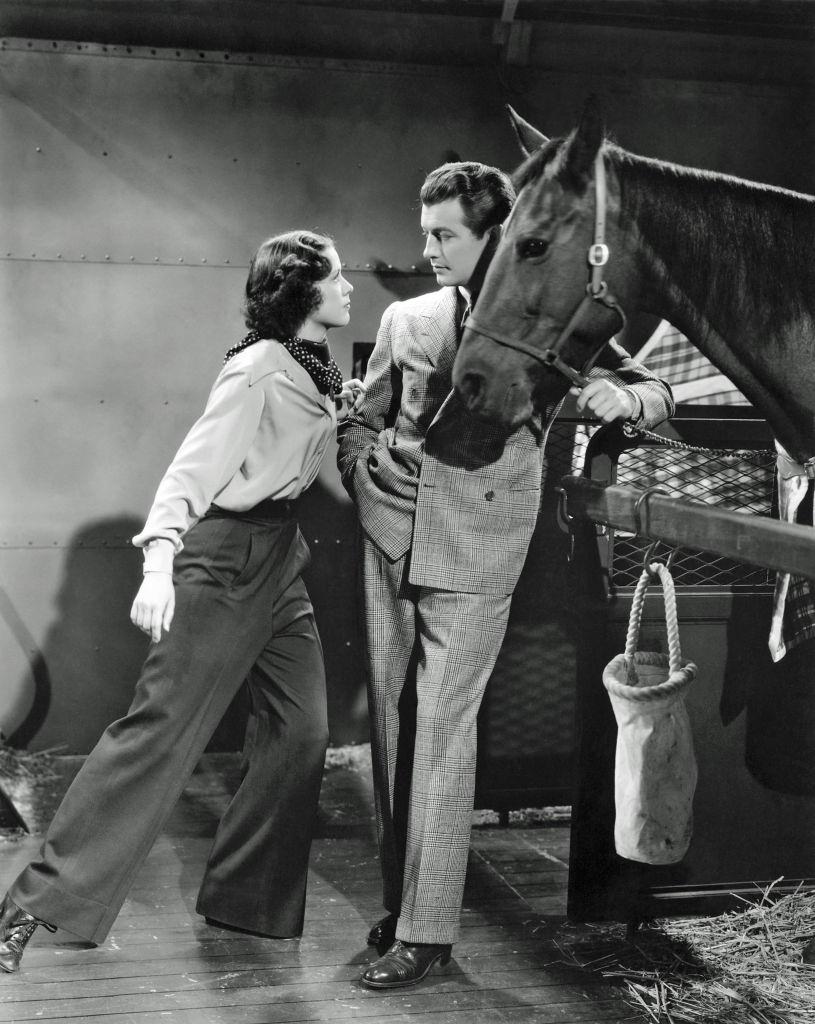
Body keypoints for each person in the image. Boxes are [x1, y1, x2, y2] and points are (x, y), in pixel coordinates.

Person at [337, 161, 675, 990]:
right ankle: (400, 901)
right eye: (425, 233)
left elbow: (659, 386)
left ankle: (427, 932)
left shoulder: (553, 320)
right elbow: (361, 417)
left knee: (444, 734)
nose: (428, 249)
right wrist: (359, 470)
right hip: (390, 538)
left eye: (444, 234)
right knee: (391, 730)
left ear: (492, 237)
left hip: (480, 545)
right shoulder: (406, 318)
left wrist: (625, 403)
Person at [0, 230, 364, 974]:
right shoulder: (258, 369)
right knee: (157, 732)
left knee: (301, 731)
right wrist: (159, 561)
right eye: (337, 278)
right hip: (223, 557)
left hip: (278, 560)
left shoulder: (309, 363)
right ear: (304, 292)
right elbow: (190, 469)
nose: (350, 287)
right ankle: (29, 905)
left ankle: (244, 899)